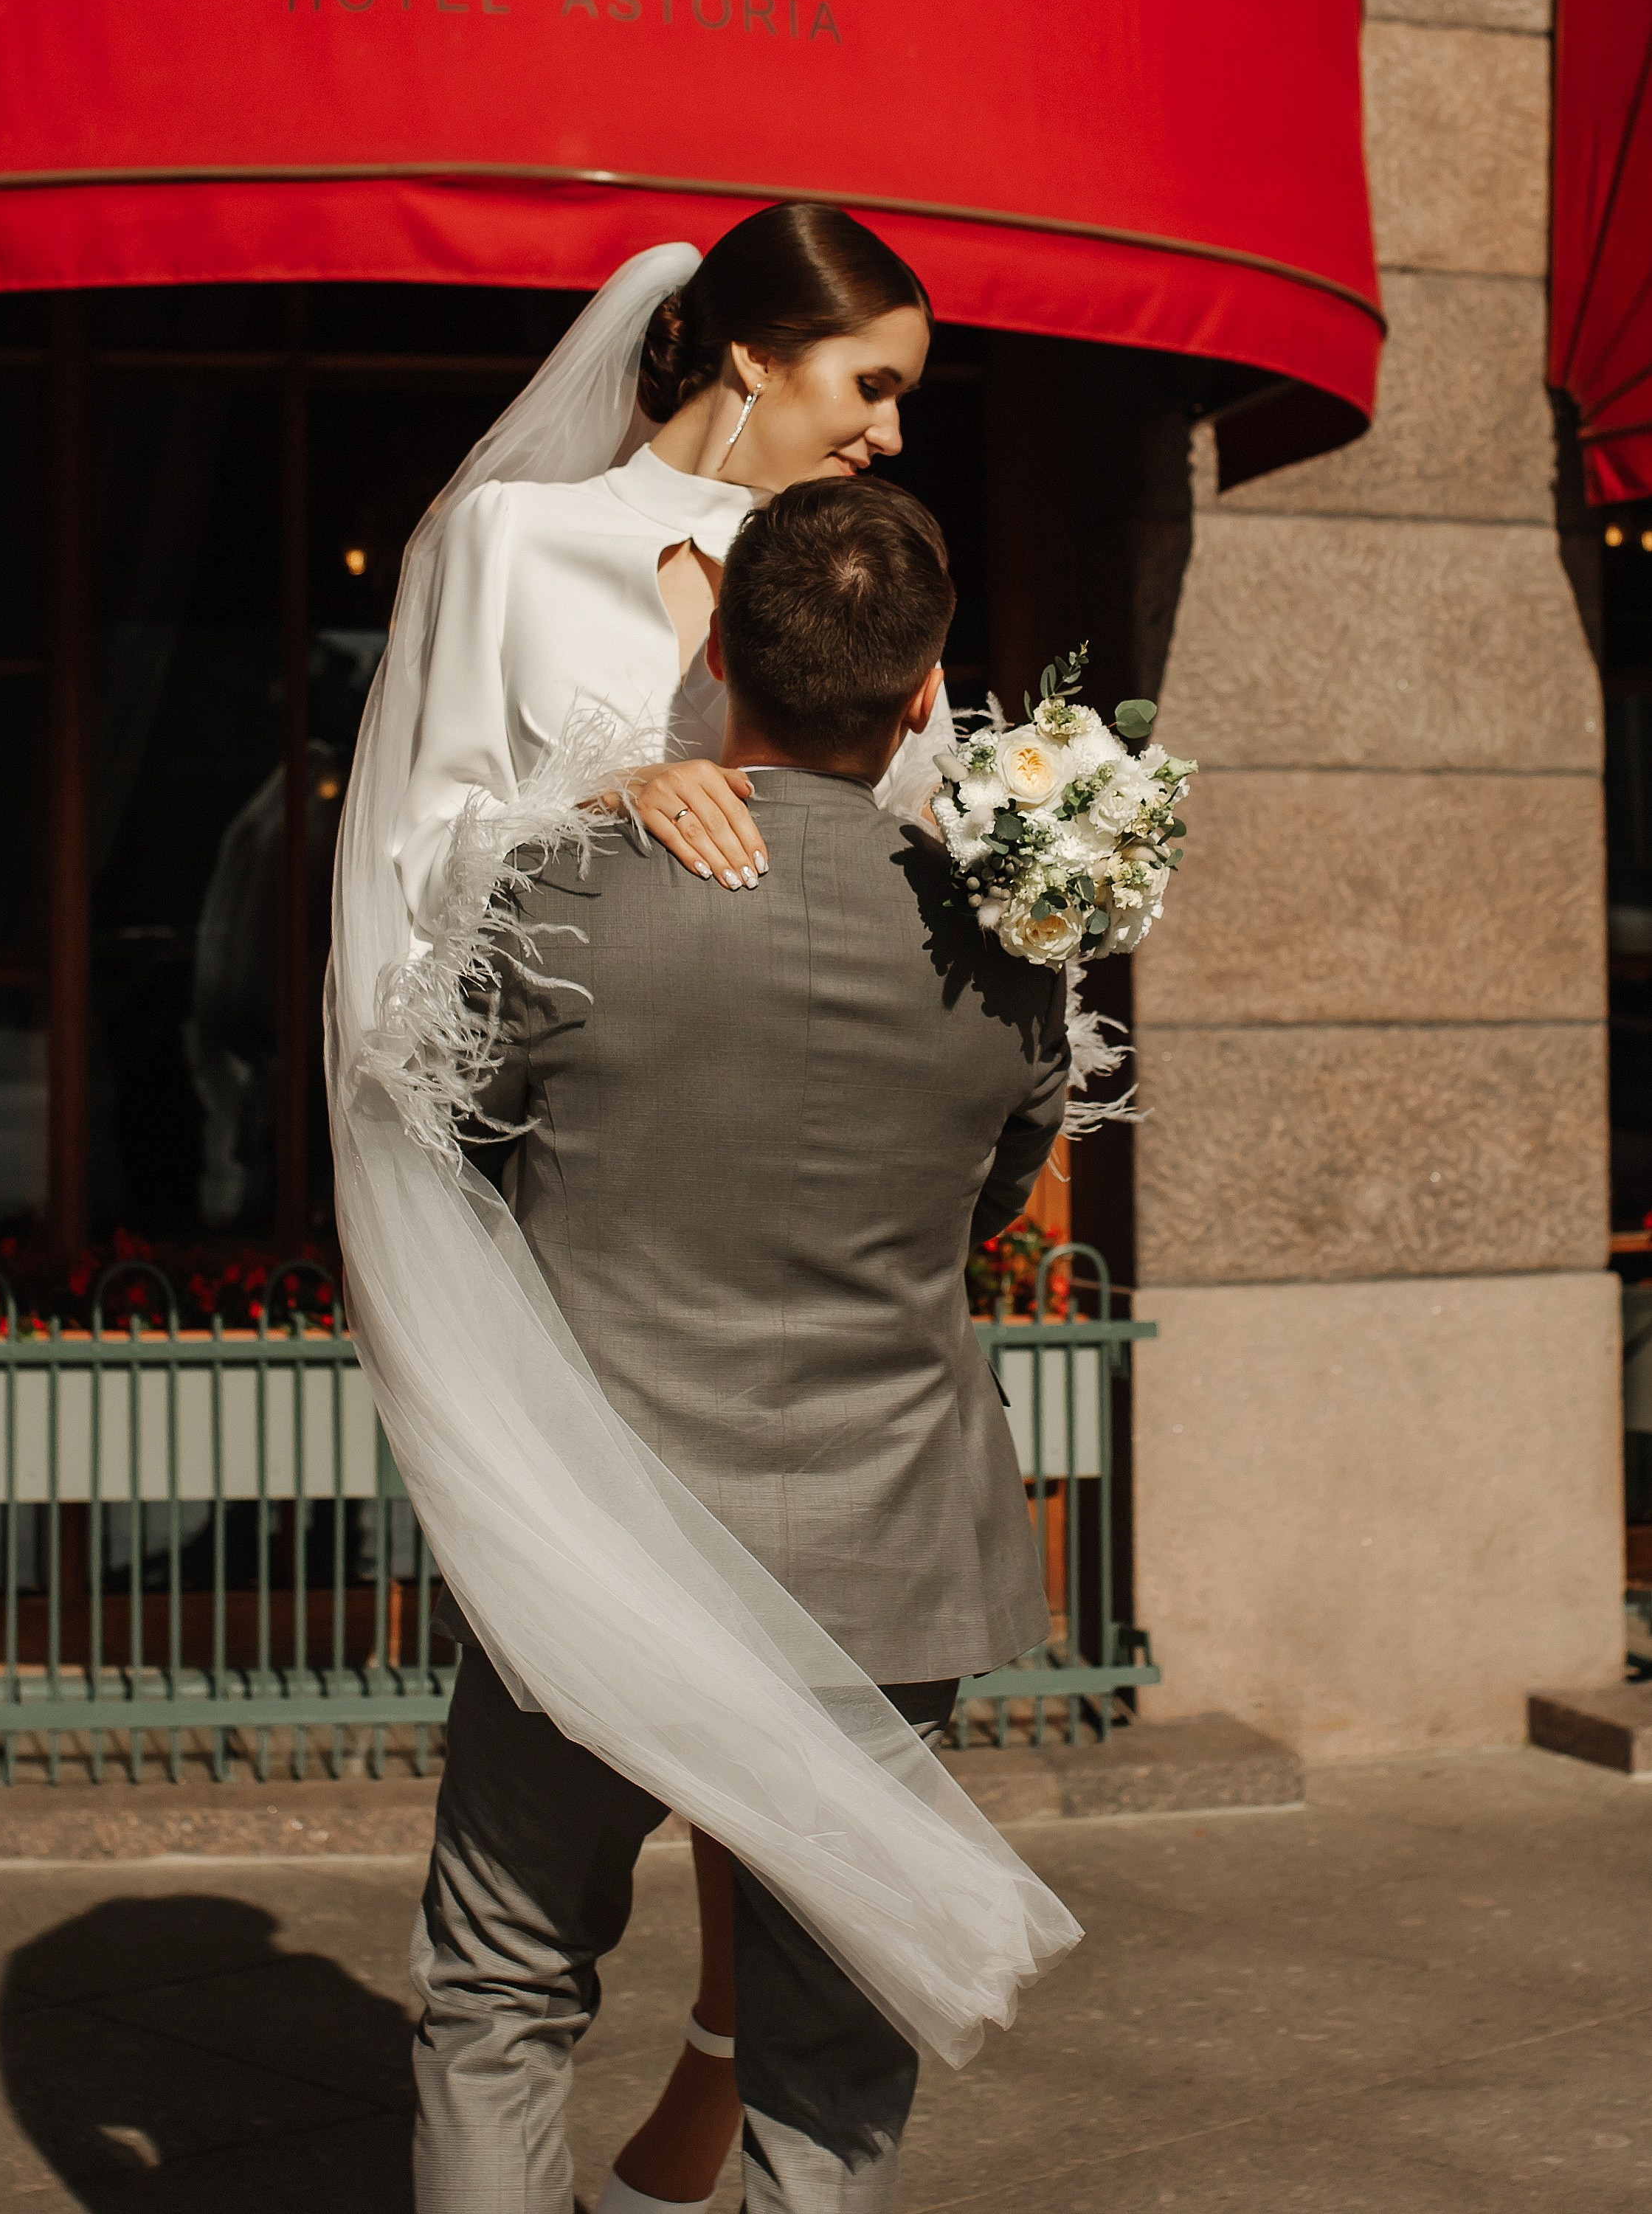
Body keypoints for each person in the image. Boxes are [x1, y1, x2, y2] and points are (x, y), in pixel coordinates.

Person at [329, 245, 1077, 2214]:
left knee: (501, 1989)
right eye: (875, 381)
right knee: (838, 2044)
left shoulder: (587, 889)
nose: (892, 420)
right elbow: (994, 1185)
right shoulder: (1009, 962)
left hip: (610, 1493)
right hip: (875, 1526)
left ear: (730, 662)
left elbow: (468, 1099)